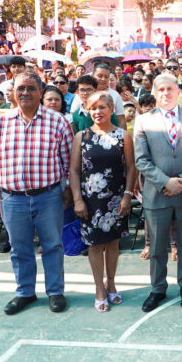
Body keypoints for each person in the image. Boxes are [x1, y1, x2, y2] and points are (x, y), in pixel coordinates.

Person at [0, 72, 74, 315]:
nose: (25, 93)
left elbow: (68, 161)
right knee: (19, 248)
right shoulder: (3, 122)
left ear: (41, 92)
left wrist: (67, 188)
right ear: (13, 92)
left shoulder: (58, 121)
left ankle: (55, 292)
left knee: (53, 245)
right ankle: (25, 292)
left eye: (31, 88)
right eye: (20, 88)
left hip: (49, 196)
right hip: (12, 199)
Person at [133, 73, 182, 313]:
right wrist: (165, 182)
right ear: (154, 92)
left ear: (178, 91)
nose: (165, 93)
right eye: (160, 90)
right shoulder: (143, 121)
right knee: (157, 248)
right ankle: (158, 288)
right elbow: (141, 160)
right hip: (157, 194)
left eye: (170, 89)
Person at [70, 92, 136, 312]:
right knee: (95, 245)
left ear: (110, 109)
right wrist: (78, 200)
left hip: (116, 199)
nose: (97, 112)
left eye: (102, 107)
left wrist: (127, 195)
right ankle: (99, 288)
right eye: (93, 108)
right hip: (90, 200)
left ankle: (111, 281)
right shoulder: (81, 136)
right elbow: (74, 171)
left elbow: (131, 168)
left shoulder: (123, 135)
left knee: (113, 243)